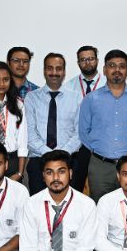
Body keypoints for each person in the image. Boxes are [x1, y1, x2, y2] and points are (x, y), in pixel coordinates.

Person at [79, 49, 127, 202]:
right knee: (100, 207)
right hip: (100, 166)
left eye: (122, 66)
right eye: (112, 65)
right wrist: (100, 150)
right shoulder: (91, 99)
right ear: (104, 70)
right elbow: (83, 132)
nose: (117, 70)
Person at [25, 53, 81, 195]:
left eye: (58, 68)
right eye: (50, 68)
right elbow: (29, 133)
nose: (54, 72)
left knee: (70, 203)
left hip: (69, 159)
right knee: (38, 202)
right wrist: (49, 154)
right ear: (44, 70)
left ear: (64, 72)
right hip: (38, 159)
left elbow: (79, 133)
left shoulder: (76, 97)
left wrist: (62, 154)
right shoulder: (31, 98)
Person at [65, 46, 106, 192]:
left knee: (100, 189)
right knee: (75, 187)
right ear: (78, 63)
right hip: (78, 145)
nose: (87, 63)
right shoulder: (68, 87)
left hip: (101, 145)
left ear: (97, 61)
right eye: (83, 60)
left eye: (91, 59)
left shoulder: (108, 85)